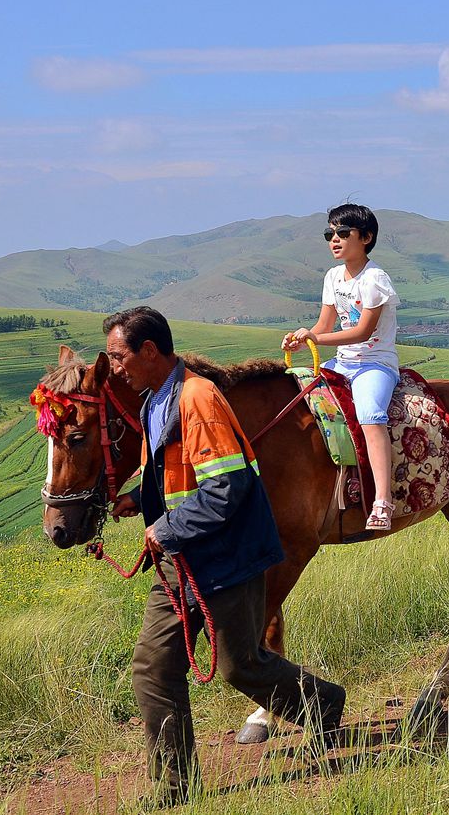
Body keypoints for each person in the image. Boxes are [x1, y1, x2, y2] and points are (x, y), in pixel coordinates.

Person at [104, 306, 346, 806]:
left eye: (119, 356)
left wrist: (166, 525)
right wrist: (140, 499)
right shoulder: (155, 399)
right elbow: (176, 475)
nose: (115, 367)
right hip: (182, 556)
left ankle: (322, 702)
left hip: (226, 556)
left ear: (150, 351)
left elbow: (227, 488)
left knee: (241, 667)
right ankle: (175, 788)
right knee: (152, 667)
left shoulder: (198, 398)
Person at [282, 204, 400, 531]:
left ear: (366, 237)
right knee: (299, 401)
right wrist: (301, 339)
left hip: (374, 364)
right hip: (342, 363)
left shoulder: (375, 279)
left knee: (370, 415)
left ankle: (382, 500)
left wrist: (316, 339)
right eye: (329, 234)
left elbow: (363, 331)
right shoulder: (333, 277)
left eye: (343, 233)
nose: (334, 239)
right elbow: (325, 323)